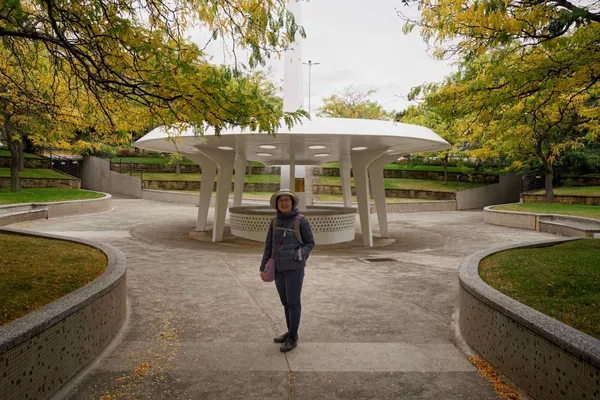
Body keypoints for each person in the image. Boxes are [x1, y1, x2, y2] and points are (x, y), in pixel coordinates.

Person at [259, 189, 315, 352]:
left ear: (292, 203)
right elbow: (269, 245)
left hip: (294, 269)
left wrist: (298, 254)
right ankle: (290, 332)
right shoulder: (274, 221)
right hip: (278, 268)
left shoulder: (300, 221)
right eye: (281, 200)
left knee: (293, 302)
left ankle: (293, 337)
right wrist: (263, 267)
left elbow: (310, 243)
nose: (284, 203)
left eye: (287, 200)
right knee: (285, 302)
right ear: (277, 203)